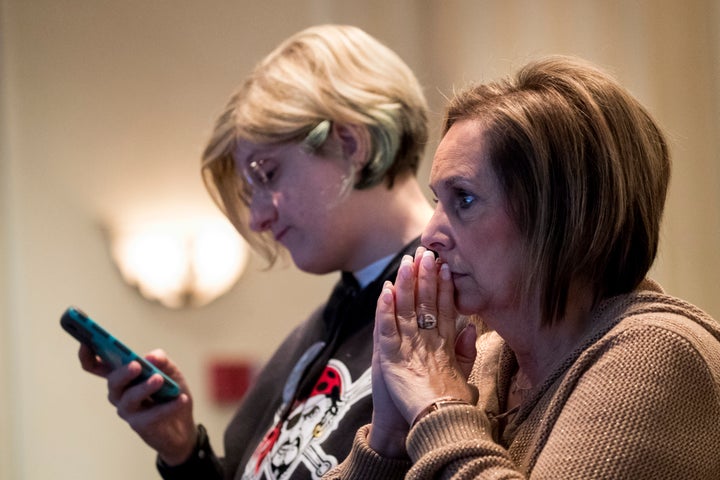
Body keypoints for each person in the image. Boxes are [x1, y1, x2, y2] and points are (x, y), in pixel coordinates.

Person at [325, 55, 720, 479]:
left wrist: (436, 407)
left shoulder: (657, 352)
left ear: (565, 214)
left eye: (465, 198)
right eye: (439, 200)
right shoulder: (489, 360)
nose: (430, 235)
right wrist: (390, 438)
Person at [78, 24, 434, 480]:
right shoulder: (318, 331)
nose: (257, 219)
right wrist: (184, 451)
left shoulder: (459, 313)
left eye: (267, 175)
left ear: (350, 143)